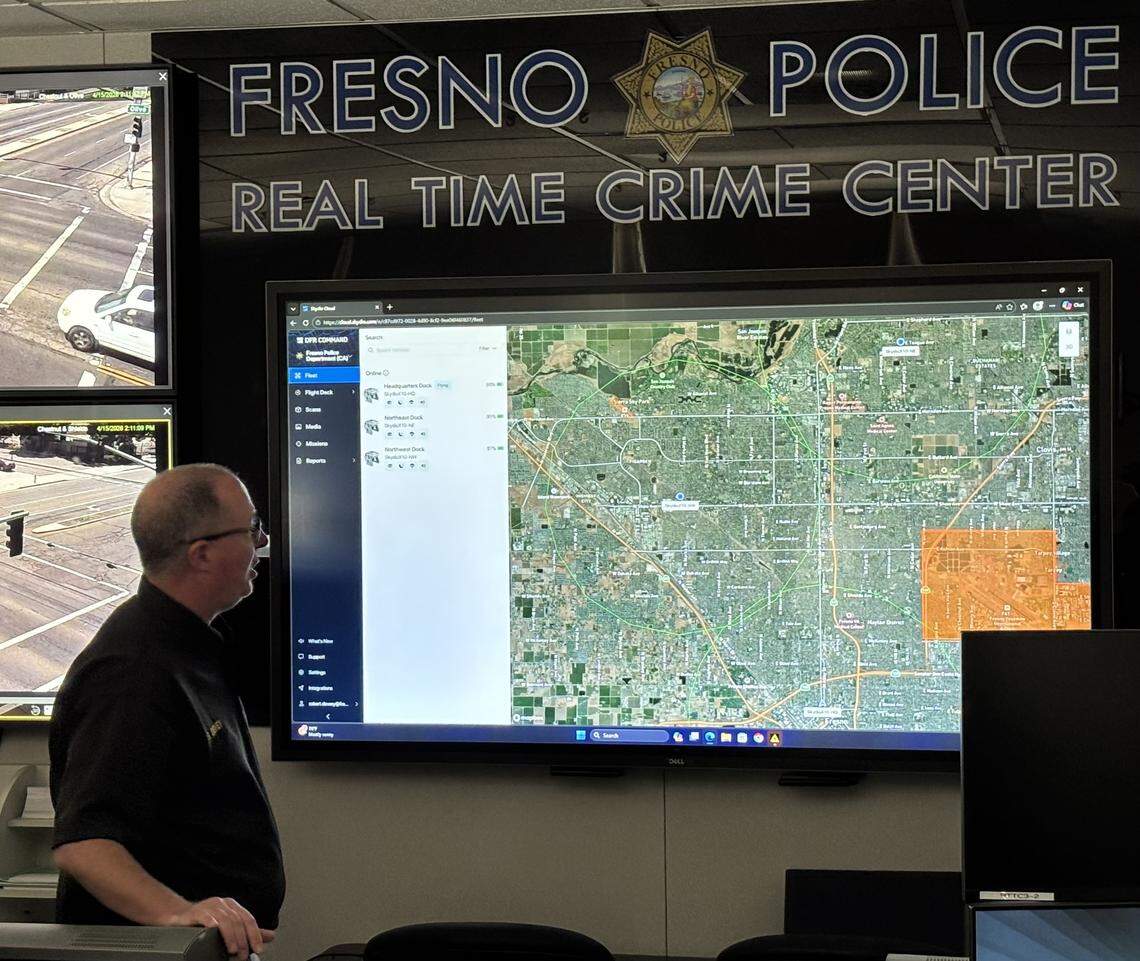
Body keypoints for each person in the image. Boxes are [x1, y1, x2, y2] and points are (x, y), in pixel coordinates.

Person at [49, 464, 284, 960]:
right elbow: (85, 841)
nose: (262, 543)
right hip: (154, 953)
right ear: (201, 555)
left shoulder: (184, 644)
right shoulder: (133, 670)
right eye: (252, 529)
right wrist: (178, 915)